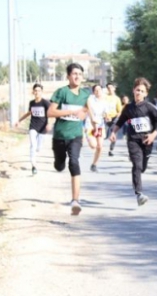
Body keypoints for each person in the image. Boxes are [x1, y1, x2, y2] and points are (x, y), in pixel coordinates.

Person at [109, 77, 157, 207]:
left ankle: (140, 176)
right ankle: (139, 194)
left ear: (146, 93)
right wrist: (113, 132)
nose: (139, 92)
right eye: (137, 90)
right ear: (133, 91)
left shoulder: (149, 107)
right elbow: (120, 122)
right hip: (133, 140)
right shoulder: (128, 108)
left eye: (142, 91)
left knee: (143, 167)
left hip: (147, 141)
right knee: (137, 165)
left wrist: (153, 135)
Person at [46, 63, 90, 215]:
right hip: (59, 136)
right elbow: (50, 112)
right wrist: (69, 112)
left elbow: (86, 110)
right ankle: (59, 163)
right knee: (59, 165)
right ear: (68, 76)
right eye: (74, 74)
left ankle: (75, 200)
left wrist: (83, 114)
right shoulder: (61, 92)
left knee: (74, 162)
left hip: (76, 135)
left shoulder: (85, 94)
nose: (77, 76)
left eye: (80, 74)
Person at [15, 83, 51, 175]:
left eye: (39, 91)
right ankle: (33, 165)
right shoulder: (31, 103)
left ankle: (35, 156)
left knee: (38, 148)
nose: (37, 92)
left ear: (41, 92)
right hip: (33, 126)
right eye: (35, 90)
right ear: (33, 92)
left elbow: (52, 113)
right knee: (33, 145)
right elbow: (29, 113)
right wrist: (19, 120)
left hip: (42, 128)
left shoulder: (45, 103)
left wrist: (49, 123)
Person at [85, 85, 109, 172]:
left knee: (99, 146)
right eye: (96, 90)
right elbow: (88, 109)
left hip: (100, 126)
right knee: (93, 145)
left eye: (99, 89)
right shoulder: (90, 99)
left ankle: (94, 164)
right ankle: (87, 137)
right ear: (93, 92)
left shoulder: (105, 101)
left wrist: (107, 117)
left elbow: (106, 113)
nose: (98, 91)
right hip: (90, 125)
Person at [104, 82, 123, 157]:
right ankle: (98, 147)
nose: (110, 89)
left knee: (114, 134)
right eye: (108, 88)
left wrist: (116, 117)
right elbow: (101, 107)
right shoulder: (104, 97)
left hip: (114, 118)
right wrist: (105, 116)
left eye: (111, 87)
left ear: (114, 88)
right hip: (105, 118)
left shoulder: (117, 99)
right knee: (103, 135)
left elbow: (119, 110)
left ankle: (111, 150)